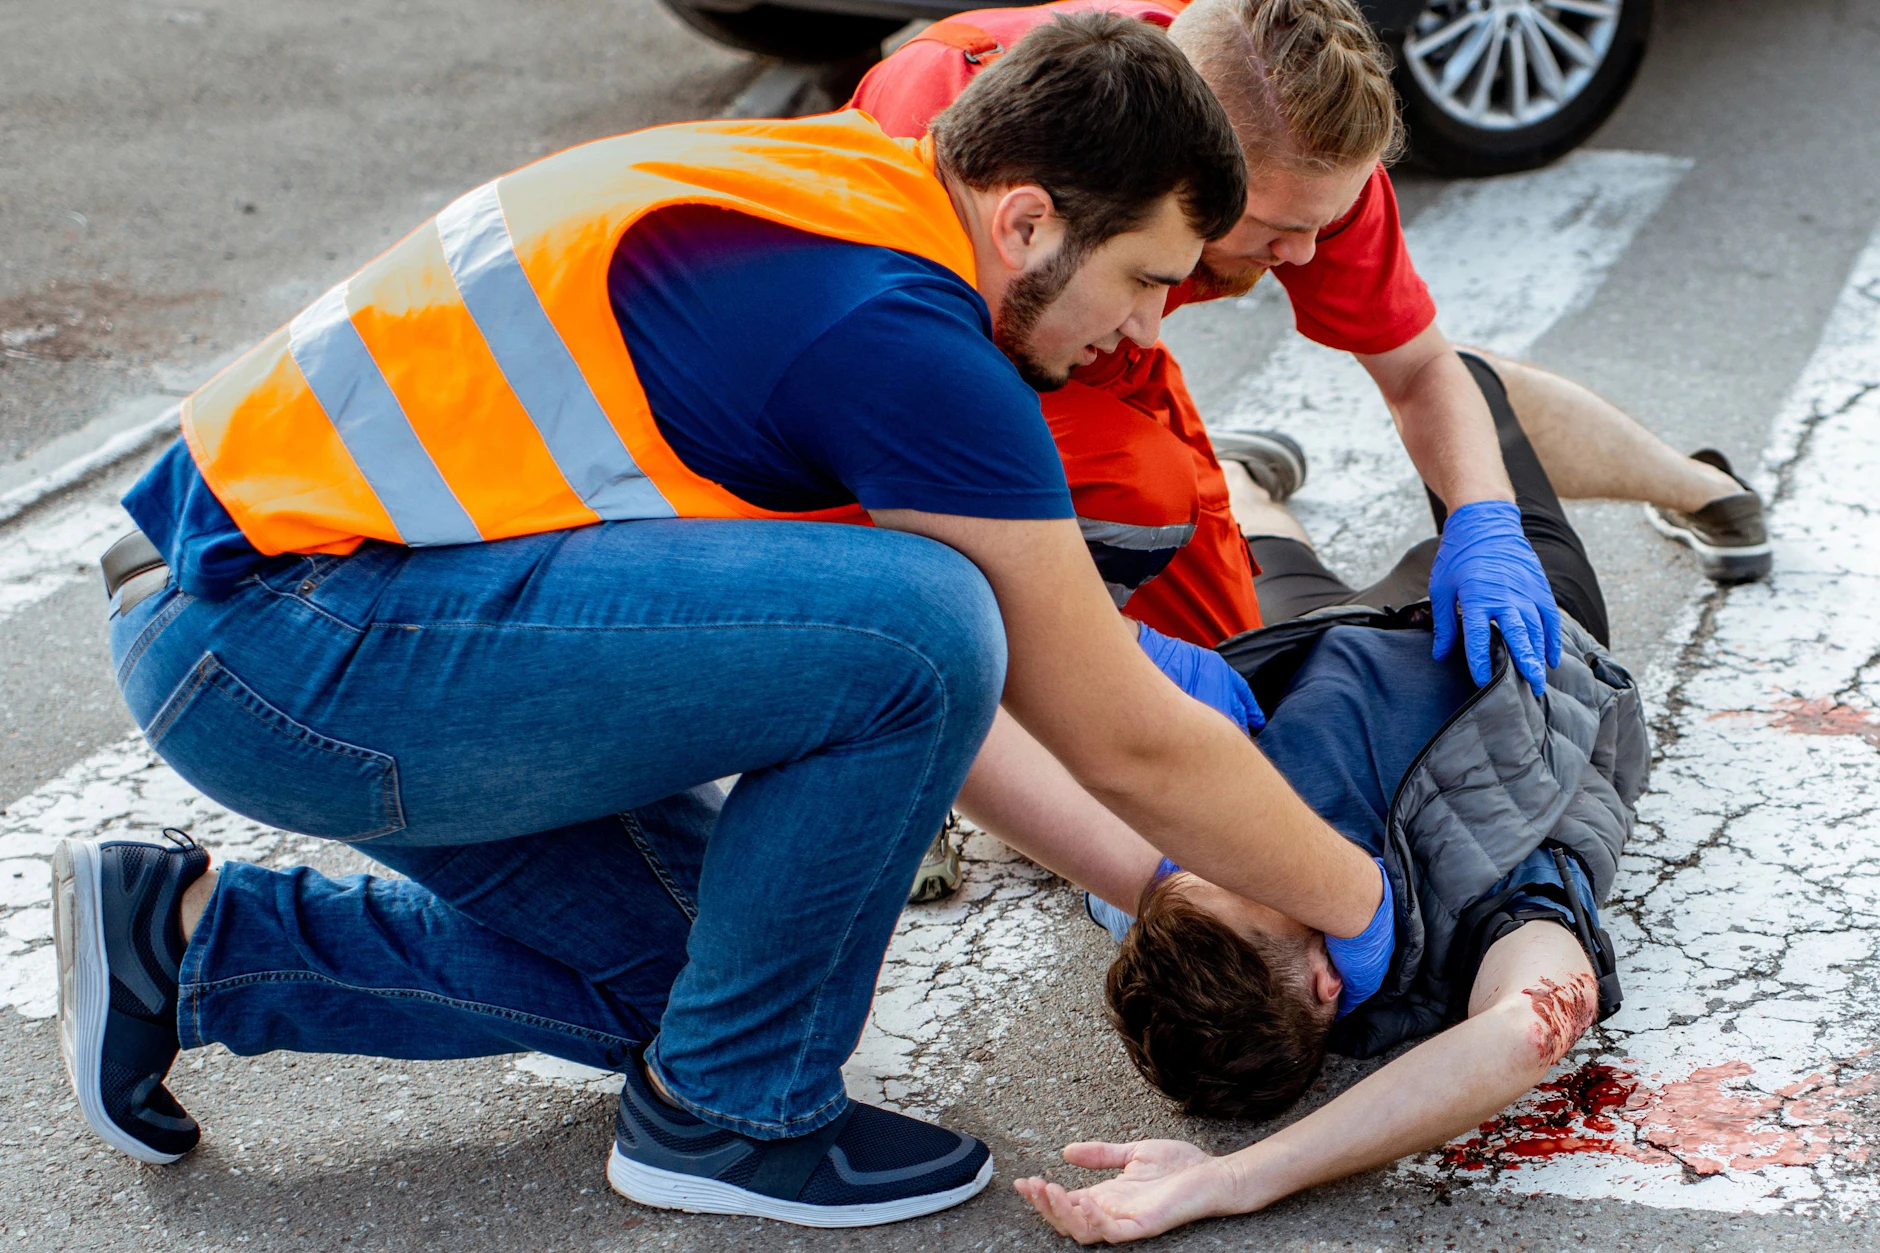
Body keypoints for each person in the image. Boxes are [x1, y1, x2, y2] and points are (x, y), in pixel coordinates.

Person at [58, 15, 1392, 1230]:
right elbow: (1118, 734)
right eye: (1148, 277)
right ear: (1031, 219)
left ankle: (186, 947)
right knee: (927, 625)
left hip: (274, 613)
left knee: (720, 975)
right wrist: (1353, 894)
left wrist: (1179, 881)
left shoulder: (850, 185)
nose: (1152, 324)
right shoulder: (904, 335)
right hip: (279, 646)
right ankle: (735, 1120)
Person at [850, 0, 1771, 663]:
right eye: (1272, 226)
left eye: (1321, 225)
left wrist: (1488, 524)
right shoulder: (947, 130)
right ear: (1185, 165)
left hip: (1097, 348)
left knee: (1232, 644)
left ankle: (1697, 483)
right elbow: (878, 436)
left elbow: (1419, 369)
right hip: (921, 363)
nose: (1301, 255)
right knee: (1117, 514)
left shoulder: (1311, 177)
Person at [1014, 353, 1649, 1243]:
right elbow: (1523, 1032)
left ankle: (1246, 476)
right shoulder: (1476, 926)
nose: (1229, 845)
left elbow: (996, 735)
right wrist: (1235, 1180)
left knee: (1268, 551)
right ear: (1327, 976)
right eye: (1242, 873)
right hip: (1502, 634)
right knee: (1465, 390)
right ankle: (1703, 485)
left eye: (1194, 864)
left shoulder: (1179, 905)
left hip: (1302, 656)